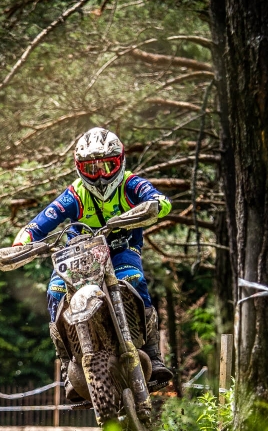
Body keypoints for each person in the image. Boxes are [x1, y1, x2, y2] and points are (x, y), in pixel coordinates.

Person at [12, 127, 174, 384]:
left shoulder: (131, 184)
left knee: (134, 279)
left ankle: (153, 354)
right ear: (79, 168)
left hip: (122, 248)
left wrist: (151, 206)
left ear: (120, 162)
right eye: (91, 168)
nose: (99, 175)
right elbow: (40, 222)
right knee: (55, 290)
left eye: (107, 166)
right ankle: (67, 364)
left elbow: (160, 200)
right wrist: (21, 243)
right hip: (80, 253)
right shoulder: (74, 194)